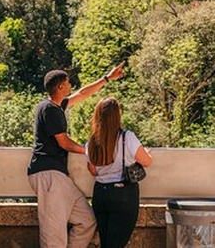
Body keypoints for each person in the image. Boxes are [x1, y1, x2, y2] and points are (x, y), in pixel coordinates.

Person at [27, 63, 125, 248]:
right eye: (68, 82)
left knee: (87, 221)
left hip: (59, 177)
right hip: (48, 175)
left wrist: (107, 78)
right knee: (54, 238)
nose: (71, 85)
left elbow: (83, 94)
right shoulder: (49, 109)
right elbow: (63, 142)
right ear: (61, 87)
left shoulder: (57, 106)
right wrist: (88, 150)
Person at [86, 97, 153, 248]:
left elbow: (93, 170)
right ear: (117, 115)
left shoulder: (92, 141)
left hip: (100, 194)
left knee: (106, 241)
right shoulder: (126, 137)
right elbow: (147, 162)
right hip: (123, 195)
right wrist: (147, 153)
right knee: (116, 243)